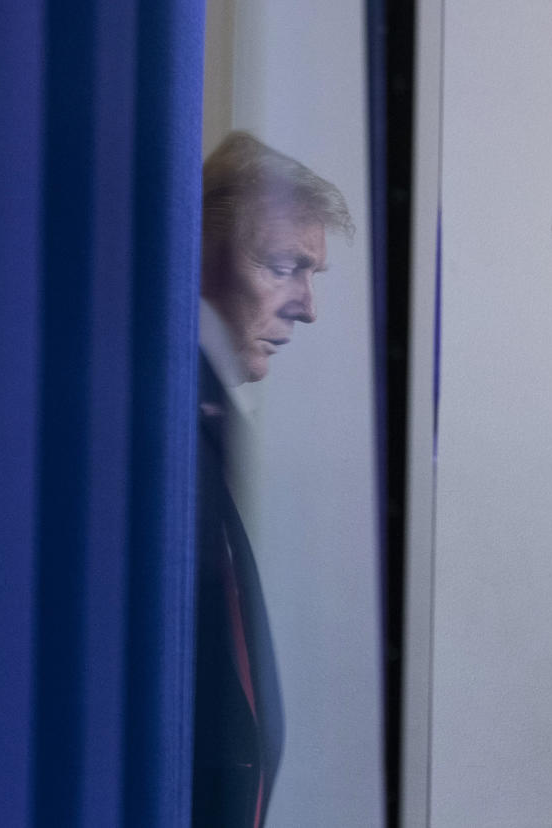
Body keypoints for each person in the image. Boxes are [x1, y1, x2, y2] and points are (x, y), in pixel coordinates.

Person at [193, 131, 353, 827]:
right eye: (285, 266)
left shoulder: (210, 411)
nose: (307, 306)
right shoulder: (165, 417)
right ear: (200, 252)